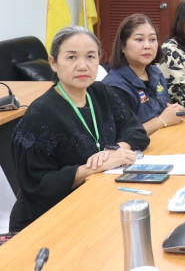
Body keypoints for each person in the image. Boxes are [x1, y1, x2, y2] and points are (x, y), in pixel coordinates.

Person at [10, 26, 149, 231]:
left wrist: (115, 150)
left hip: (97, 203)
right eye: (72, 57)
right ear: (53, 63)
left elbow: (136, 131)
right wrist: (92, 168)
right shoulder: (40, 114)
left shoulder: (100, 92)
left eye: (90, 57)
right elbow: (38, 185)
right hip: (47, 219)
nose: (83, 66)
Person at [104, 13, 184, 135]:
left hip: (166, 138)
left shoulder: (155, 72)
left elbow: (165, 110)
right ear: (122, 46)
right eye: (139, 39)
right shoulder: (115, 87)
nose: (147, 46)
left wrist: (175, 111)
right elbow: (123, 135)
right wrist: (162, 120)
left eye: (152, 40)